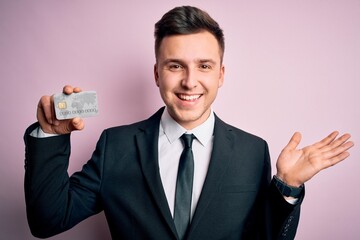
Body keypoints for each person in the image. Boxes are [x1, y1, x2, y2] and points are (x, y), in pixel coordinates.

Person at [24, 6, 353, 240]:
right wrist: (50, 134)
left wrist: (287, 187)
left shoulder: (253, 151)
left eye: (205, 66)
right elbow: (48, 220)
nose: (190, 81)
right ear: (156, 73)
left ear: (221, 75)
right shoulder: (117, 145)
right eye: (175, 66)